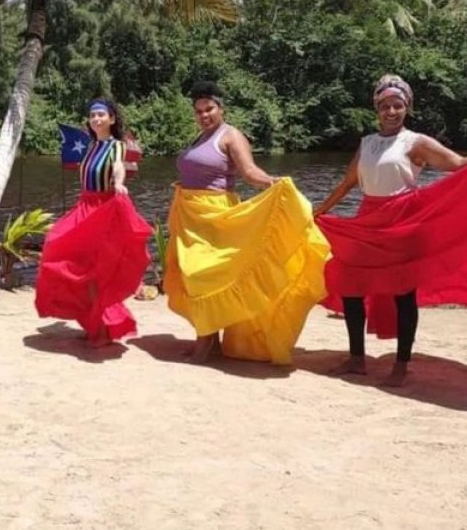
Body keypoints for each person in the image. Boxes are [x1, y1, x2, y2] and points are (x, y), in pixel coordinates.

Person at [314, 74, 467, 385]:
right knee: (349, 283)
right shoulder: (367, 143)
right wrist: (319, 210)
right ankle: (357, 359)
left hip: (403, 221)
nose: (391, 111)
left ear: (407, 107)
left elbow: (456, 163)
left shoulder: (415, 142)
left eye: (397, 105)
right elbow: (348, 183)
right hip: (368, 220)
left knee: (402, 292)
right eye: (385, 105)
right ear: (376, 108)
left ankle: (401, 365)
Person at [163, 81, 329, 364]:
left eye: (209, 109)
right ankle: (209, 339)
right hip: (191, 215)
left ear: (221, 108)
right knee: (192, 275)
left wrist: (273, 182)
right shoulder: (199, 138)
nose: (204, 115)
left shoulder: (231, 136)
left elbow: (249, 172)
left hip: (216, 215)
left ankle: (205, 344)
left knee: (204, 275)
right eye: (199, 111)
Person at [35, 99, 151, 346]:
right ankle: (91, 320)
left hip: (102, 210)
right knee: (57, 247)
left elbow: (119, 166)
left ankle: (102, 327)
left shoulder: (116, 145)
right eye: (92, 115)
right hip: (83, 207)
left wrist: (119, 183)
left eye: (101, 115)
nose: (96, 119)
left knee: (97, 270)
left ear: (111, 119)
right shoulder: (90, 146)